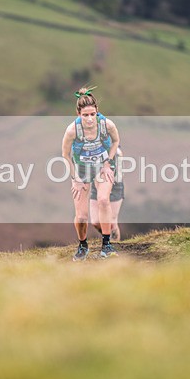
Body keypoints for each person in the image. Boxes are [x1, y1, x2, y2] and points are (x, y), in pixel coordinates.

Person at [61, 86, 121, 261]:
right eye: (85, 115)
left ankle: (106, 245)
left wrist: (108, 163)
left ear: (97, 112)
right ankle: (82, 246)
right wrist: (76, 179)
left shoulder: (107, 125)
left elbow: (116, 141)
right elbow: (65, 155)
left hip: (103, 166)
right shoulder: (72, 130)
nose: (89, 119)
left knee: (103, 200)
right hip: (81, 169)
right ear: (78, 114)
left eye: (92, 114)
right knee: (81, 216)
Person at [90, 147, 124, 242]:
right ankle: (108, 239)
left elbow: (119, 171)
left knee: (112, 221)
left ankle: (113, 246)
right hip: (96, 184)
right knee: (95, 222)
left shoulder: (115, 151)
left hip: (114, 186)